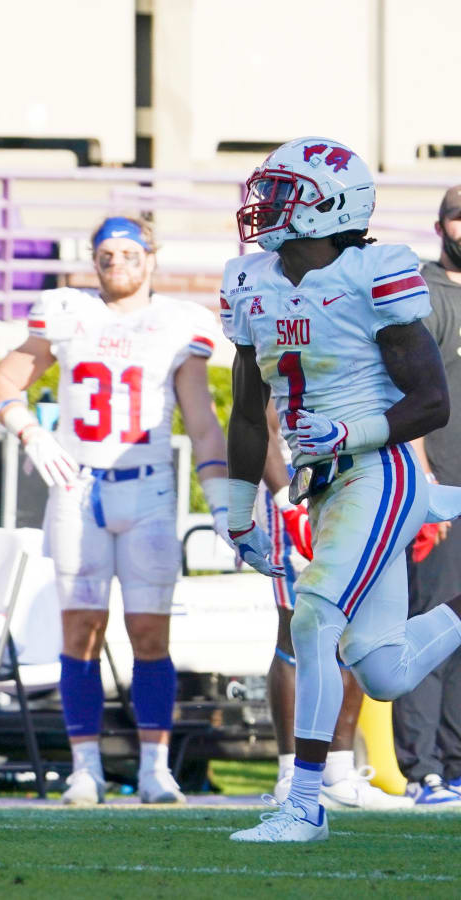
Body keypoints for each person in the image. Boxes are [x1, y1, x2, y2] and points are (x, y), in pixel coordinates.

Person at [223, 136, 461, 842]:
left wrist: (348, 433)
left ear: (327, 205)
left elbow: (430, 401)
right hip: (322, 484)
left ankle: (304, 805)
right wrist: (239, 510)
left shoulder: (373, 273)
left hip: (377, 472)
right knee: (383, 668)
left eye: (282, 193)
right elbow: (245, 407)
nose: (263, 207)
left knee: (314, 616)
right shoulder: (249, 279)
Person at [0, 216, 231, 806]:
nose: (116, 261)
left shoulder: (179, 322)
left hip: (147, 490)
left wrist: (222, 500)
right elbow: (4, 383)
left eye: (128, 251)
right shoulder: (66, 312)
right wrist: (30, 434)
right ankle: (85, 768)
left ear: (152, 256)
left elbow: (201, 420)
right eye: (105, 253)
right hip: (78, 486)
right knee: (80, 631)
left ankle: (154, 767)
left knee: (150, 632)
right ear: (92, 260)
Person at [259, 406, 410, 810]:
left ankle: (338, 773)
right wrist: (284, 500)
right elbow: (260, 423)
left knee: (355, 629)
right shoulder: (282, 343)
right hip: (296, 489)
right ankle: (291, 769)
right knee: (298, 630)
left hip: (358, 484)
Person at [393, 185, 461, 808]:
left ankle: (458, 762)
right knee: (432, 625)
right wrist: (423, 481)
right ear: (440, 224)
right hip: (442, 487)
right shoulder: (420, 292)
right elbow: (401, 391)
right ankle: (424, 770)